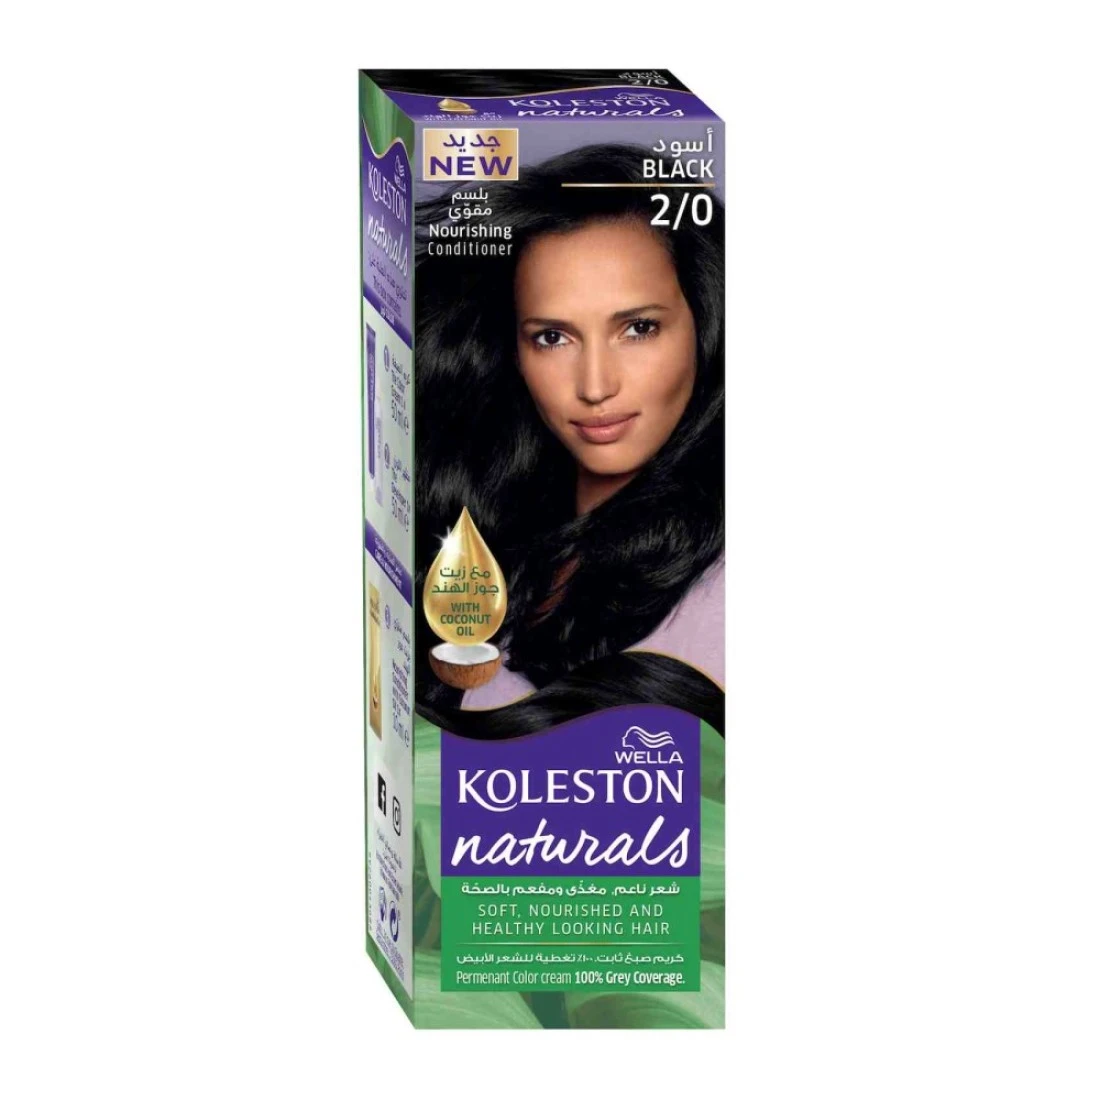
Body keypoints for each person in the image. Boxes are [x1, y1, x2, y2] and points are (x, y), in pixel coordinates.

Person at [414, 144, 724, 737]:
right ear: (513, 351)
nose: (595, 386)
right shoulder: (502, 547)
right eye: (553, 338)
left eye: (639, 328)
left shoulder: (720, 586)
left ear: (704, 325)